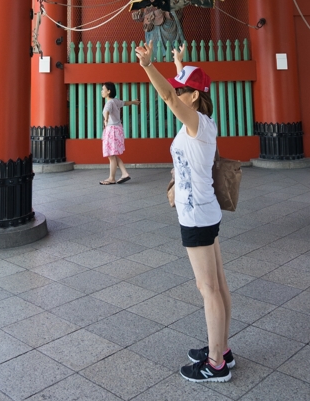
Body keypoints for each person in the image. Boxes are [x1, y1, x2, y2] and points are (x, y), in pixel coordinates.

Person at [135, 40, 233, 383]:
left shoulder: (196, 122)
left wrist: (149, 66)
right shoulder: (201, 121)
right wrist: (179, 64)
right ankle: (222, 348)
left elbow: (170, 97)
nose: (177, 93)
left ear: (193, 97)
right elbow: (183, 89)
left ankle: (216, 363)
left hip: (197, 215)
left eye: (182, 90)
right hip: (204, 211)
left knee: (208, 288)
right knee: (217, 285)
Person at [99, 82, 140, 185]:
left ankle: (111, 178)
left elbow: (107, 111)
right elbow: (125, 103)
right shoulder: (116, 101)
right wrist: (134, 102)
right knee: (113, 154)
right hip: (117, 129)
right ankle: (125, 173)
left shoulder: (109, 103)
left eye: (103, 89)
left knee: (111, 155)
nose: (101, 91)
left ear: (108, 91)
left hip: (111, 130)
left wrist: (106, 119)